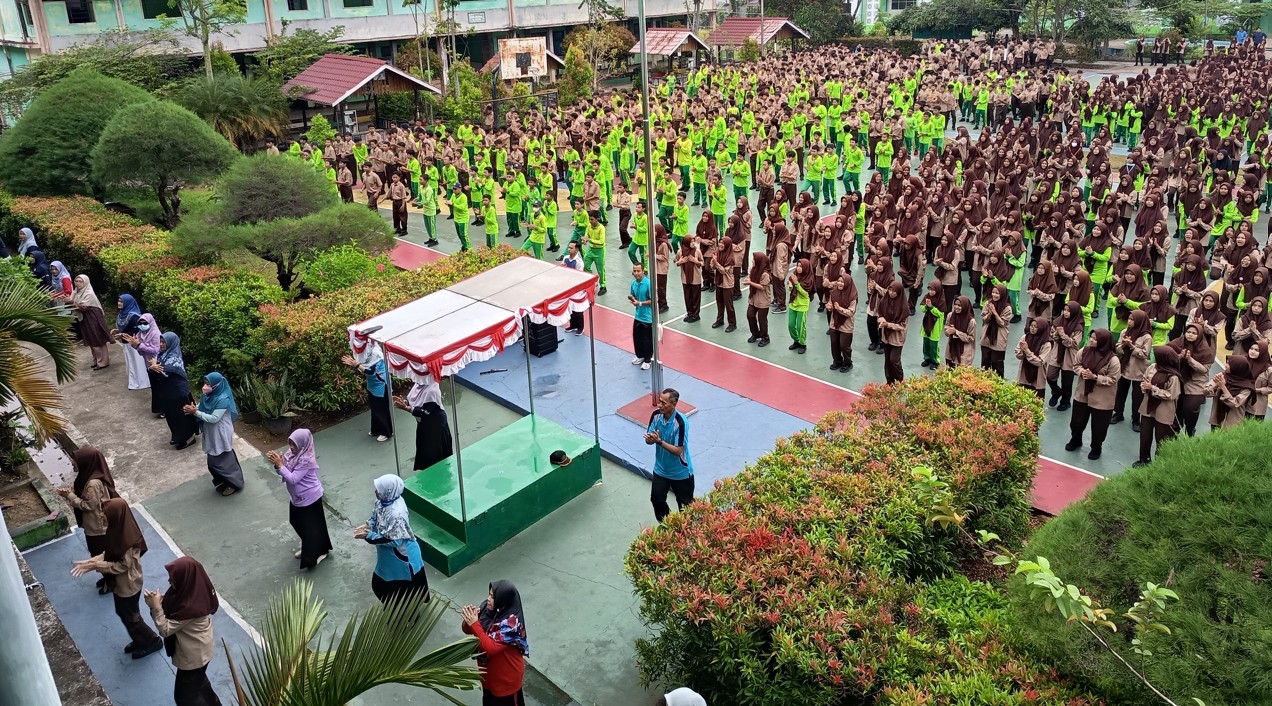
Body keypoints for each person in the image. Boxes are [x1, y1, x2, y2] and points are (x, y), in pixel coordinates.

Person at [70, 498, 163, 659]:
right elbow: (110, 552)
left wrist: (95, 566)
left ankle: (150, 640)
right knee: (123, 612)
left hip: (129, 585)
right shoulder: (118, 530)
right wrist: (94, 560)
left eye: (105, 514)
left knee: (131, 616)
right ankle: (139, 638)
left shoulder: (128, 539)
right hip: (122, 584)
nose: (102, 517)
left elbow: (121, 565)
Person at [143, 556, 223, 706]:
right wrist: (161, 600)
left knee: (185, 698)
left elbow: (166, 629)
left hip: (194, 658)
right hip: (200, 652)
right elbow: (176, 604)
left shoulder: (190, 608)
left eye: (173, 578)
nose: (169, 581)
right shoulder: (194, 591)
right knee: (200, 684)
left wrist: (155, 607)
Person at [354, 475, 430, 605]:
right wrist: (368, 525)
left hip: (401, 557)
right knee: (381, 586)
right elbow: (375, 517)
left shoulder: (397, 514)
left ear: (388, 491)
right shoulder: (382, 501)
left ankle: (406, 615)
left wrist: (369, 536)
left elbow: (395, 541)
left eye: (379, 489)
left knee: (401, 592)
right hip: (388, 556)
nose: (376, 492)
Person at [56, 448, 119, 595]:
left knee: (99, 555)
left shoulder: (93, 483)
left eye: (75, 461)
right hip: (97, 525)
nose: (72, 463)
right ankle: (108, 578)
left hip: (97, 527)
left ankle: (112, 582)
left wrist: (70, 496)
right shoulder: (90, 478)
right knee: (99, 554)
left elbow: (88, 505)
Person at [267, 429, 332, 570]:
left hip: (310, 498)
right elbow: (283, 471)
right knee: (297, 522)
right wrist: (278, 464)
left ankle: (317, 553)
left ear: (303, 444)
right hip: (298, 498)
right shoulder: (291, 454)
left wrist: (280, 465)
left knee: (311, 528)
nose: (291, 447)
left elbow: (293, 479)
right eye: (290, 443)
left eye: (294, 444)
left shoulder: (307, 460)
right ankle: (312, 546)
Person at [460, 580, 529, 706]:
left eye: (492, 596)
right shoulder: (488, 609)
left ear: (503, 600)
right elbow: (469, 630)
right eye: (489, 594)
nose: (488, 599)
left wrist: (474, 623)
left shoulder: (512, 624)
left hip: (506, 682)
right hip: (489, 677)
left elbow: (490, 647)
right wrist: (469, 619)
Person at [184, 372, 245, 497]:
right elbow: (201, 407)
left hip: (220, 433)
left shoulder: (222, 399)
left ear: (217, 385)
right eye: (205, 383)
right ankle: (223, 481)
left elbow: (214, 418)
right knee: (214, 459)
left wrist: (196, 413)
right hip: (211, 432)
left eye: (208, 384)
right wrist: (193, 409)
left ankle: (233, 483)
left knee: (220, 459)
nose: (205, 386)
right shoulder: (207, 396)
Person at [1066, 329, 1122, 460]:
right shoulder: (1083, 351)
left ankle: (1096, 448)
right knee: (1076, 421)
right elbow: (1076, 365)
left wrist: (1095, 377)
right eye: (1091, 337)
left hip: (1102, 399)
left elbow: (1113, 379)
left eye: (1095, 339)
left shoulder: (1113, 360)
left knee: (1099, 427)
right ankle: (1076, 440)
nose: (1091, 340)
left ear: (1103, 341)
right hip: (1082, 394)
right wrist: (1082, 372)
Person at [644, 388, 693, 522]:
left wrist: (659, 442)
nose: (660, 405)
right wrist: (650, 439)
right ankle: (669, 526)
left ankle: (686, 532)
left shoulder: (681, 422)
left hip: (681, 473)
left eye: (664, 403)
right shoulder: (656, 415)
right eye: (660, 402)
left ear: (674, 404)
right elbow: (649, 440)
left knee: (686, 508)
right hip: (661, 470)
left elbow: (678, 450)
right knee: (656, 500)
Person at [1135, 345, 1182, 467]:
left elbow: (1171, 394)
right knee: (1145, 435)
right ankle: (1144, 459)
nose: (1154, 358)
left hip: (1164, 410)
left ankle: (1160, 464)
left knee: (1162, 438)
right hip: (1148, 406)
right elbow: (1145, 379)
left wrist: (1153, 388)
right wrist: (1144, 387)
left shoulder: (1173, 377)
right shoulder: (1152, 367)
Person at [151, 332, 199, 450]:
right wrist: (152, 367)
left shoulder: (174, 358)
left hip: (178, 394)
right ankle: (178, 436)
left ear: (171, 343)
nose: (161, 344)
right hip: (168, 394)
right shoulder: (162, 355)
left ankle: (188, 438)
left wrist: (153, 367)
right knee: (172, 417)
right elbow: (156, 370)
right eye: (160, 341)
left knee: (181, 417)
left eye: (164, 342)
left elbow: (164, 373)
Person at [393, 378, 454, 471]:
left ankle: (438, 473)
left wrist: (406, 408)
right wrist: (404, 402)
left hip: (435, 426)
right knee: (425, 449)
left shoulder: (432, 390)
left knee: (435, 452)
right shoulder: (419, 384)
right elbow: (415, 401)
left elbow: (425, 412)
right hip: (424, 424)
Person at [342, 348, 393, 441]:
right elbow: (364, 368)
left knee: (381, 409)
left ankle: (387, 432)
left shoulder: (376, 353)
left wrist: (356, 365)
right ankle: (376, 429)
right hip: (372, 385)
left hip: (381, 385)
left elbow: (371, 372)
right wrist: (356, 365)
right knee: (374, 409)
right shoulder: (366, 352)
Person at [71, 275, 112, 370]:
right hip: (85, 319)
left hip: (93, 318)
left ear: (85, 282)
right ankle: (97, 360)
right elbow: (72, 300)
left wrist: (71, 302)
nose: (78, 283)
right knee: (90, 339)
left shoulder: (89, 293)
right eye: (76, 281)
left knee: (97, 339)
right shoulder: (77, 292)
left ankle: (103, 362)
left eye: (80, 281)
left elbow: (83, 307)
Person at [112, 293, 150, 391]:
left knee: (137, 362)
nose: (119, 303)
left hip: (134, 344)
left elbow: (140, 329)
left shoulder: (134, 316)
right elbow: (125, 327)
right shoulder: (122, 314)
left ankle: (142, 382)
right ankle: (135, 381)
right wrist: (118, 331)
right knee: (131, 362)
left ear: (128, 303)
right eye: (119, 301)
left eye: (121, 301)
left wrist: (123, 334)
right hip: (127, 343)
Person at [629, 263, 654, 370]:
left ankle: (648, 360)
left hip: (648, 317)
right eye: (634, 271)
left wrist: (639, 303)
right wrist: (632, 298)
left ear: (643, 271)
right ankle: (640, 356)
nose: (636, 273)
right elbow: (633, 295)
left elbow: (653, 300)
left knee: (647, 340)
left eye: (638, 271)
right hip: (638, 316)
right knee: (637, 338)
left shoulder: (648, 284)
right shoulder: (633, 283)